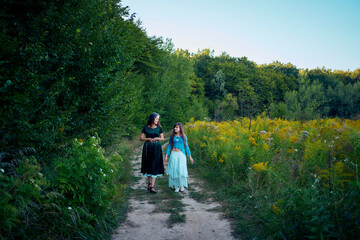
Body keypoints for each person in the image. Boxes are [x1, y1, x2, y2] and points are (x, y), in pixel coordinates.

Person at [164, 122, 194, 192]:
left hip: (181, 155)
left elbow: (186, 146)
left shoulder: (184, 136)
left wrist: (190, 156)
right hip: (173, 154)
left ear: (180, 128)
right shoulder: (172, 136)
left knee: (181, 170)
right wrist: (166, 156)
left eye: (177, 127)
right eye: (175, 127)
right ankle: (177, 186)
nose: (175, 128)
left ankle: (182, 185)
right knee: (174, 170)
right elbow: (169, 146)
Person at [140, 113, 165, 194]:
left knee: (155, 164)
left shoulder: (159, 128)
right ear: (152, 119)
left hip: (157, 148)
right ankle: (149, 183)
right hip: (148, 148)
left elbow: (162, 138)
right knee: (148, 164)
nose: (157, 120)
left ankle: (152, 186)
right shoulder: (146, 127)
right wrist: (148, 139)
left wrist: (157, 138)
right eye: (156, 119)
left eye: (158, 119)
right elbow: (141, 138)